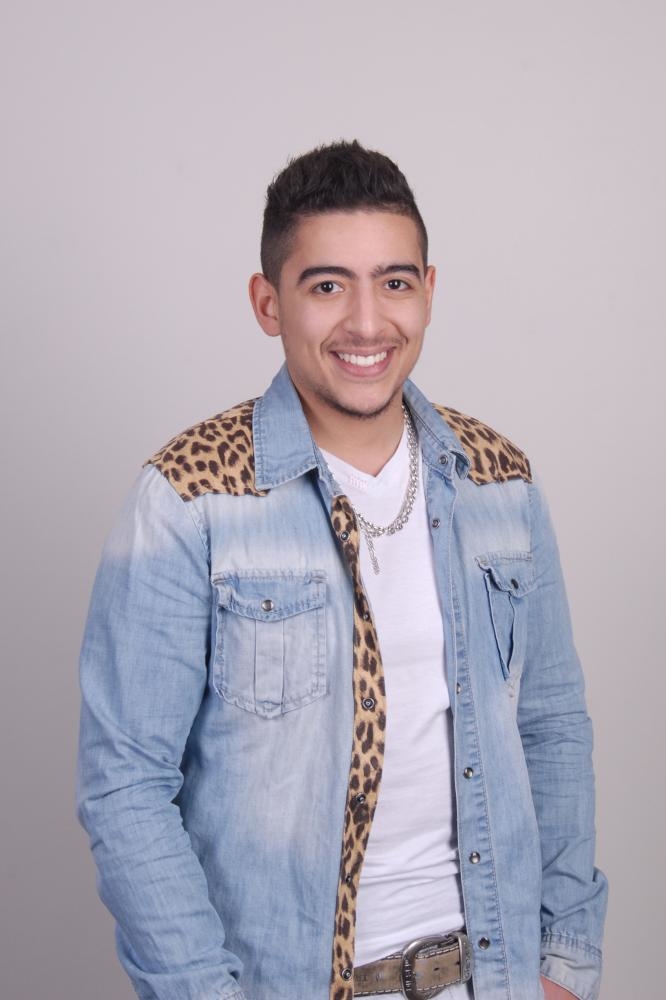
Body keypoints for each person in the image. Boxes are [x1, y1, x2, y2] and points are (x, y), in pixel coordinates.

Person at [76, 140, 607, 1000]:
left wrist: (562, 964)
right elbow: (125, 786)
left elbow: (553, 728)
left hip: (494, 977)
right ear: (268, 302)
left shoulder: (499, 483)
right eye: (327, 286)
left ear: (428, 291)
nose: (367, 323)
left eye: (393, 282)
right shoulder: (192, 499)